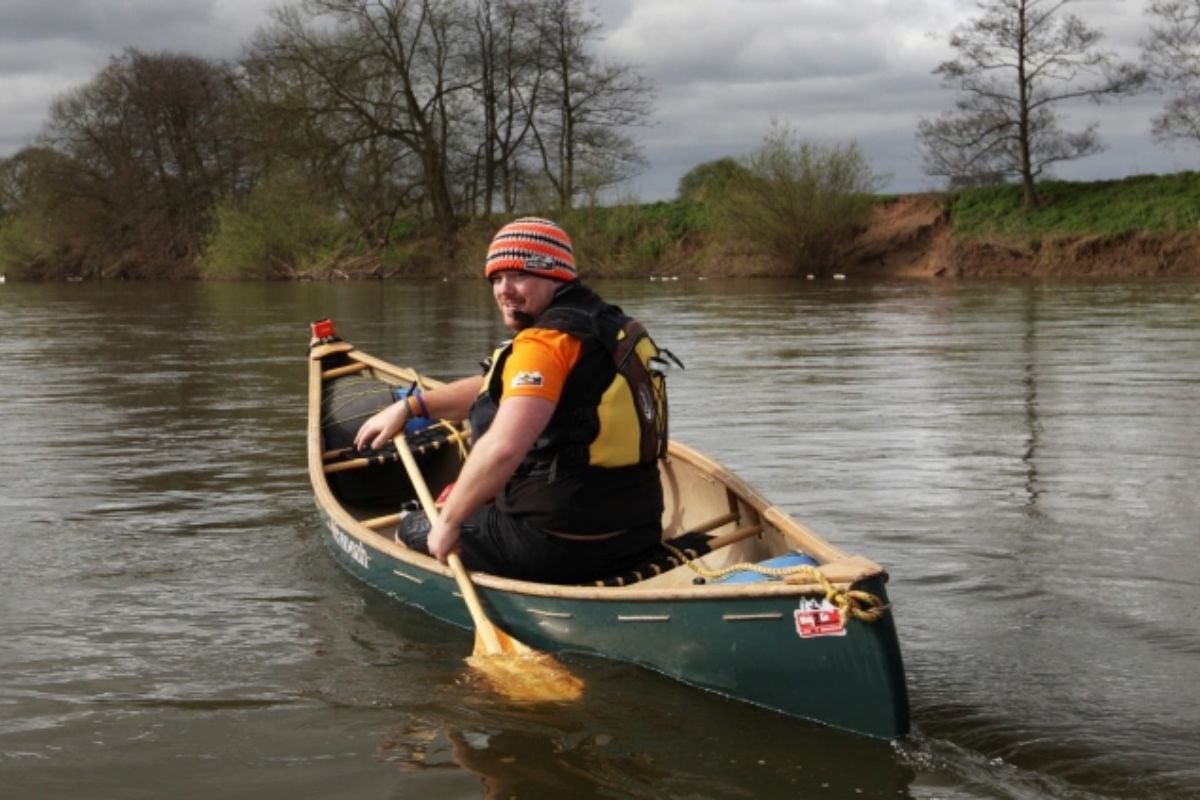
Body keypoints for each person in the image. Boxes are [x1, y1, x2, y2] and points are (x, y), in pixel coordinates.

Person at [353, 217, 671, 584]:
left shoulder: (544, 344)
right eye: (496, 279)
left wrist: (450, 521)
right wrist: (411, 407)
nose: (504, 290)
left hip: (559, 545)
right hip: (639, 533)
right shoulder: (608, 325)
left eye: (519, 275)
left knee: (413, 527)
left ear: (557, 275)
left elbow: (503, 448)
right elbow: (501, 388)